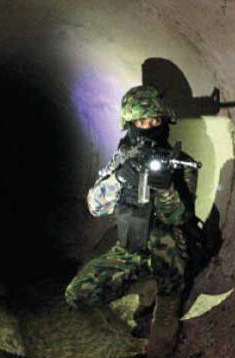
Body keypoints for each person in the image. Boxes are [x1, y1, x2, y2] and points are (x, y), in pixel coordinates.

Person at [64, 85, 199, 357]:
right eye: (142, 122)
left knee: (167, 238)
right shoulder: (122, 160)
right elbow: (94, 207)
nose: (149, 127)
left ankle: (166, 306)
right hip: (130, 249)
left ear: (165, 122)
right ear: (130, 124)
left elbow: (180, 217)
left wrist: (165, 188)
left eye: (155, 121)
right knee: (78, 294)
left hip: (168, 251)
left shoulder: (179, 163)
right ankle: (146, 281)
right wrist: (120, 178)